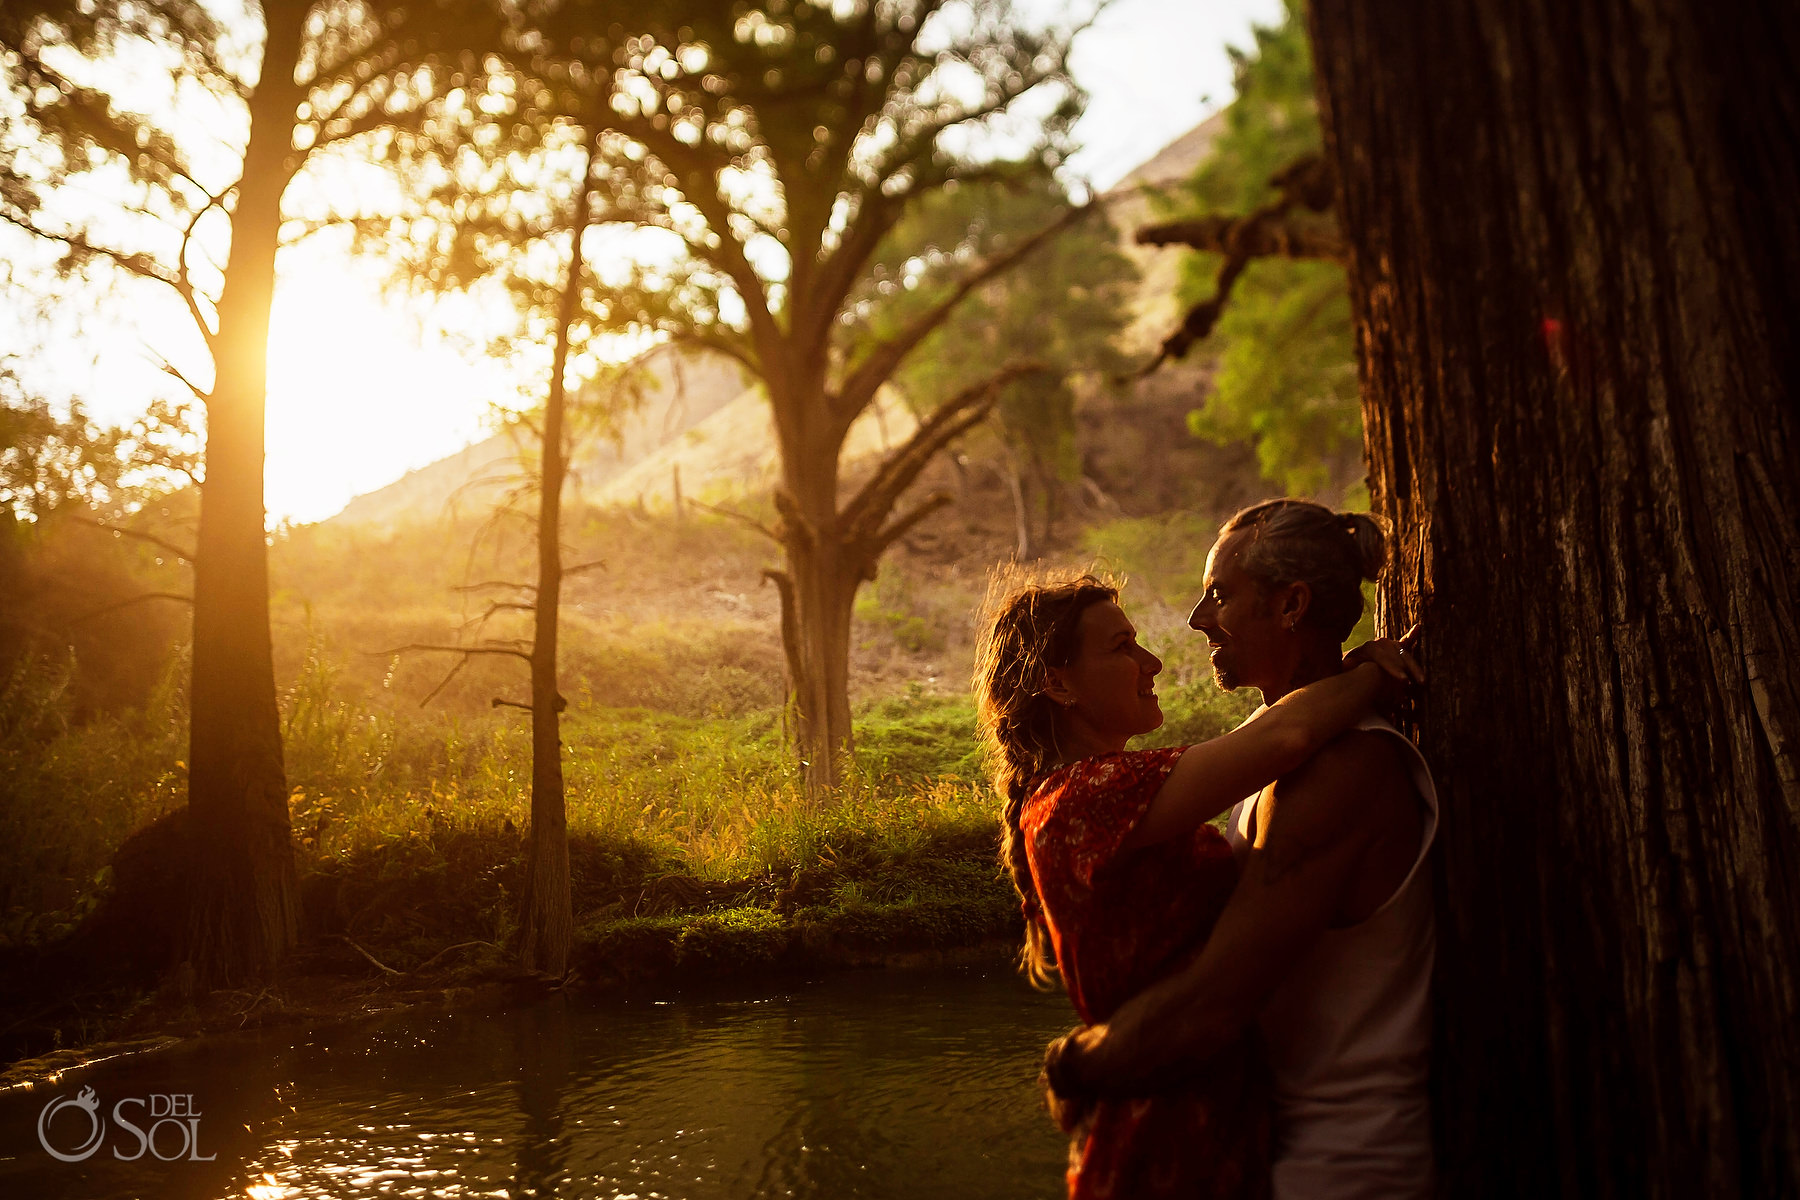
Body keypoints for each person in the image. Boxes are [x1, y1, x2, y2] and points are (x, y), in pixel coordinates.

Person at [974, 567, 1417, 1199]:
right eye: (1121, 647)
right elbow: (1286, 735)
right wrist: (1380, 669)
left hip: (1208, 1132)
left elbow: (1266, 738)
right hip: (1163, 1146)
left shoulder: (1099, 794)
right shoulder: (1082, 798)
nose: (1151, 661)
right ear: (1056, 684)